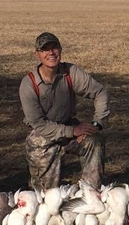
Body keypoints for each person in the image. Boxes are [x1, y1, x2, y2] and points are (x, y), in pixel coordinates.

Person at [20, 32, 110, 189]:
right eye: (45, 50)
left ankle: (91, 193)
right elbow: (38, 124)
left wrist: (97, 124)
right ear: (37, 54)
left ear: (60, 50)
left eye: (54, 48)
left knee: (94, 142)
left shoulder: (71, 72)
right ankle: (45, 194)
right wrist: (72, 131)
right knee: (46, 197)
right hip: (43, 134)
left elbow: (100, 92)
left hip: (69, 126)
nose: (51, 53)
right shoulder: (29, 84)